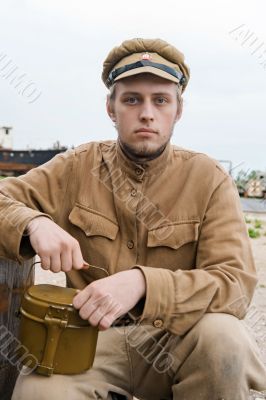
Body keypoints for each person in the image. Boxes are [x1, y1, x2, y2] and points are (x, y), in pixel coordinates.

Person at [0, 38, 265, 400]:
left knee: (226, 340)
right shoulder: (76, 166)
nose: (146, 113)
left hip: (179, 338)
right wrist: (33, 223)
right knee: (36, 393)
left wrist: (143, 285)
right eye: (131, 99)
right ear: (111, 108)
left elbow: (233, 286)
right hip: (88, 341)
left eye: (160, 100)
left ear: (178, 110)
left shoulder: (209, 179)